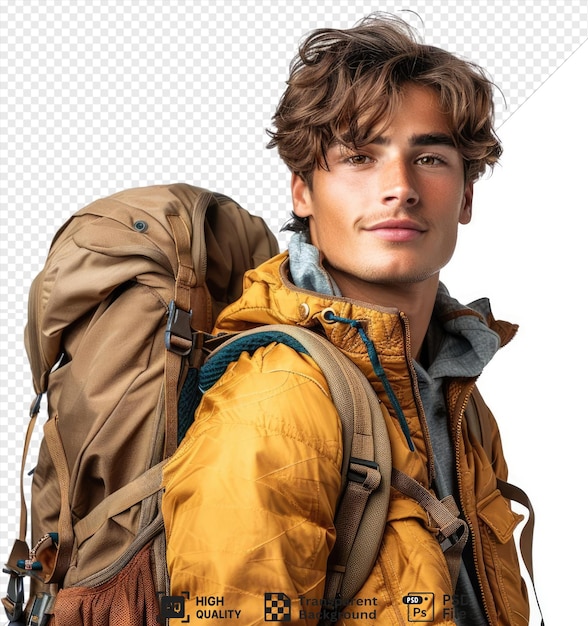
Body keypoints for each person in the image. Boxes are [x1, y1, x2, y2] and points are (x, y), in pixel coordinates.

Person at [162, 13, 530, 626]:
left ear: (466, 195)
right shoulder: (278, 399)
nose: (401, 188)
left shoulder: (451, 383)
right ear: (302, 192)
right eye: (360, 156)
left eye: (431, 158)